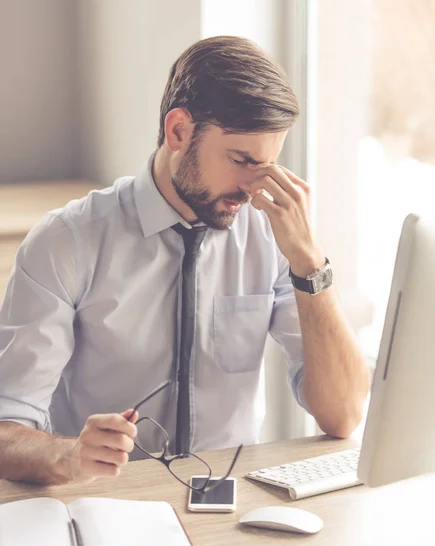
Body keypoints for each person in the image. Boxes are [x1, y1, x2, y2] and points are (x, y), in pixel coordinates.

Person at [0, 36, 369, 486]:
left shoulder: (273, 237)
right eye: (241, 160)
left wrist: (311, 265)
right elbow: (6, 427)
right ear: (178, 131)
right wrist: (69, 455)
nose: (254, 188)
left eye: (267, 166)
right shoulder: (66, 242)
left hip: (232, 511)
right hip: (108, 506)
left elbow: (344, 415)